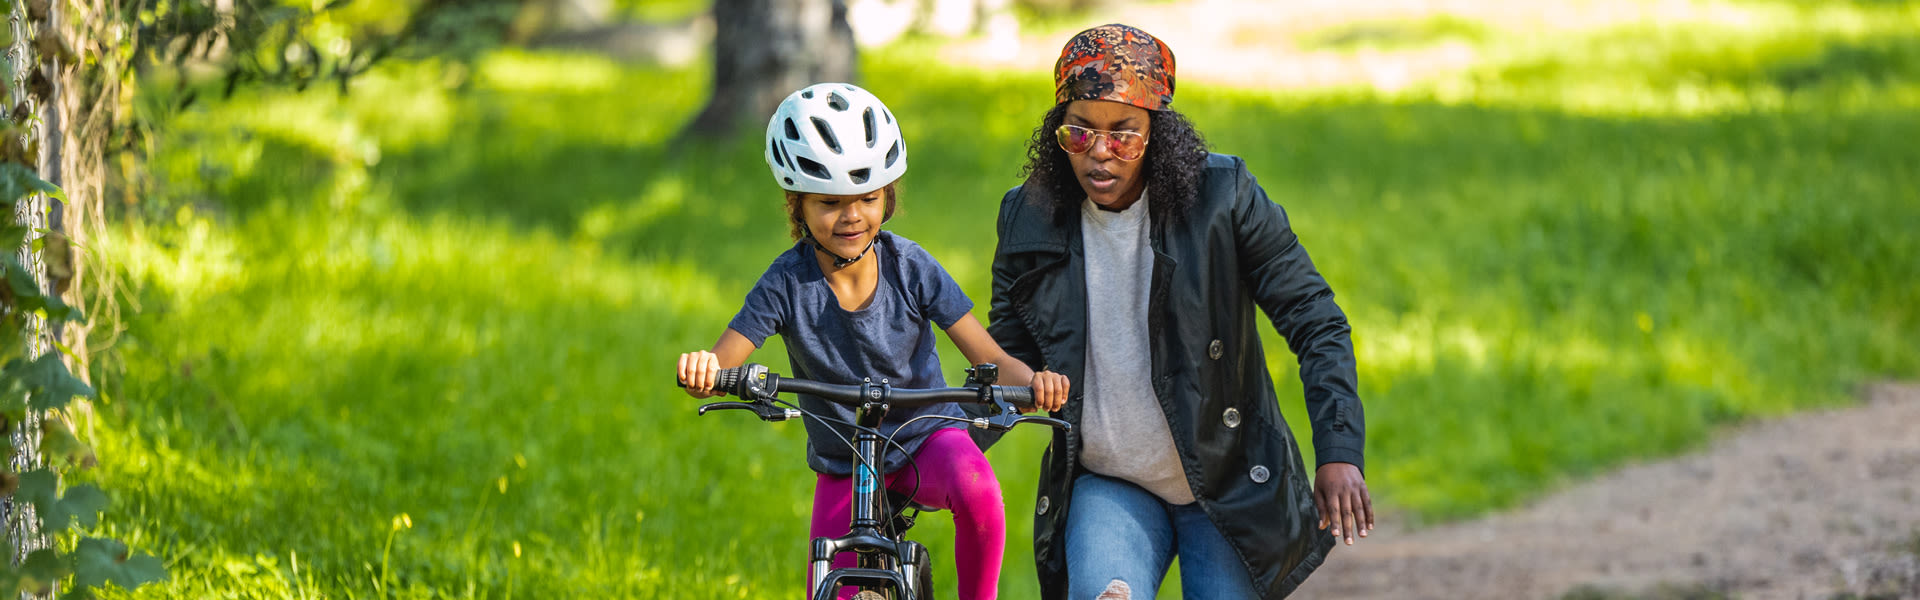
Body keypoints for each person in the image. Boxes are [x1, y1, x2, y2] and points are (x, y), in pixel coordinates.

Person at [985, 24, 1373, 600]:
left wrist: (1339, 451)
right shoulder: (1029, 215)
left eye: (1124, 135)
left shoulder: (1225, 196)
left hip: (1228, 483)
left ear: (1158, 135)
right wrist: (935, 449)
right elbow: (1003, 360)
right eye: (1079, 132)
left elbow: (1314, 318)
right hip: (1108, 479)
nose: (1098, 152)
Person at [676, 82, 1071, 600]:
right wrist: (705, 369)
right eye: (830, 202)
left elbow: (990, 357)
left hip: (926, 437)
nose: (852, 216)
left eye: (868, 197)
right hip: (845, 460)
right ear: (796, 205)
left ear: (888, 194)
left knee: (978, 491)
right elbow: (726, 357)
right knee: (831, 583)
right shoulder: (786, 283)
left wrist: (1036, 383)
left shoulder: (911, 267)